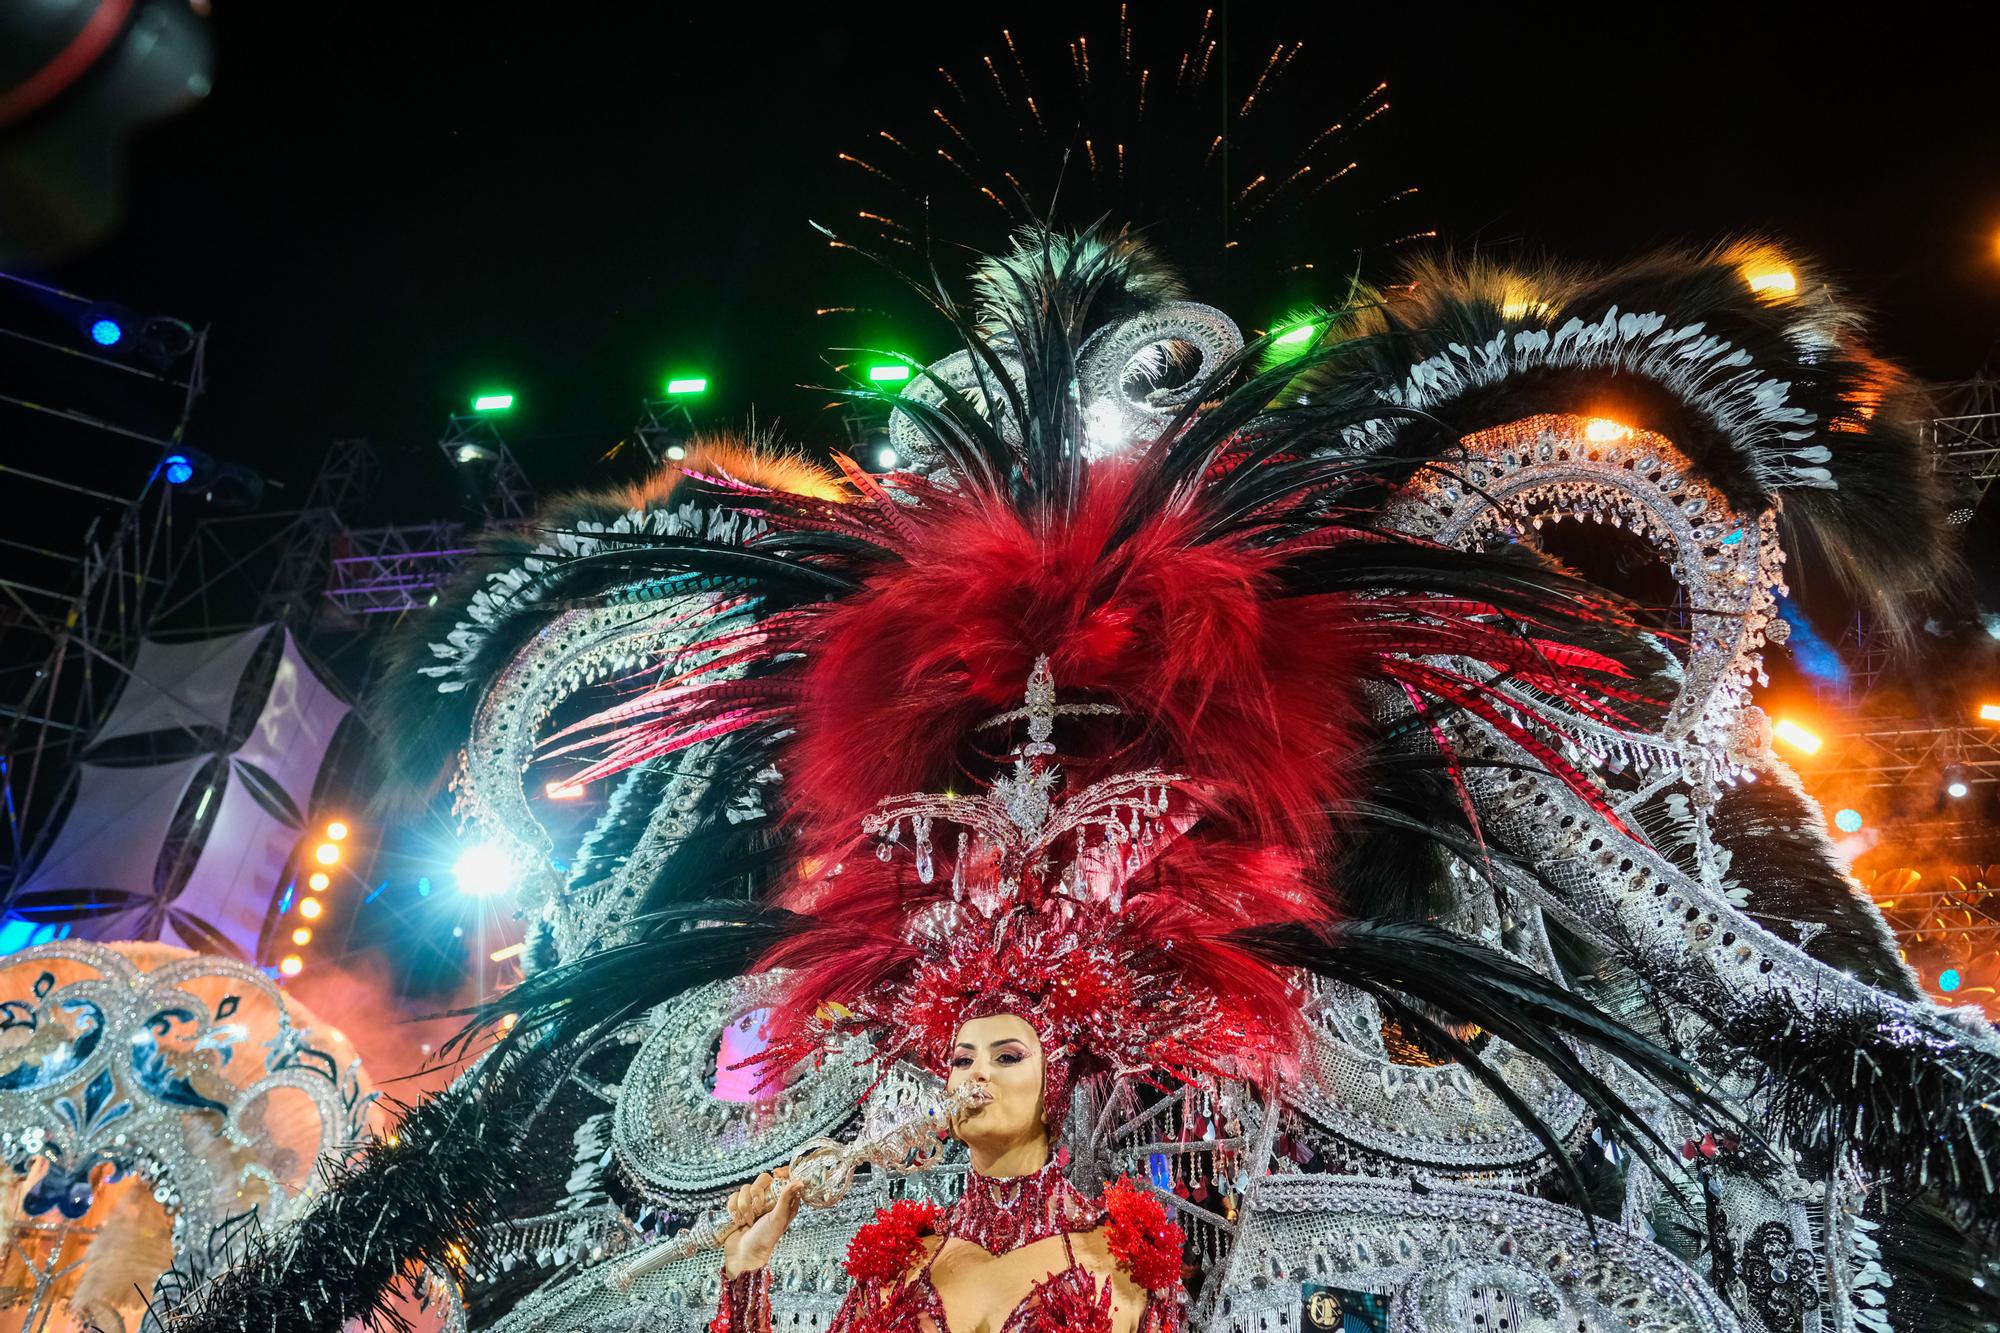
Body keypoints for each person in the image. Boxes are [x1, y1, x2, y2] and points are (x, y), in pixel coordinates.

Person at [715, 1012, 1184, 1333]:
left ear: (1052, 1094)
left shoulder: (1127, 1258)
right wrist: (747, 1267)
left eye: (1007, 1057)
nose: (977, 1074)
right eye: (962, 1060)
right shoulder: (898, 1260)